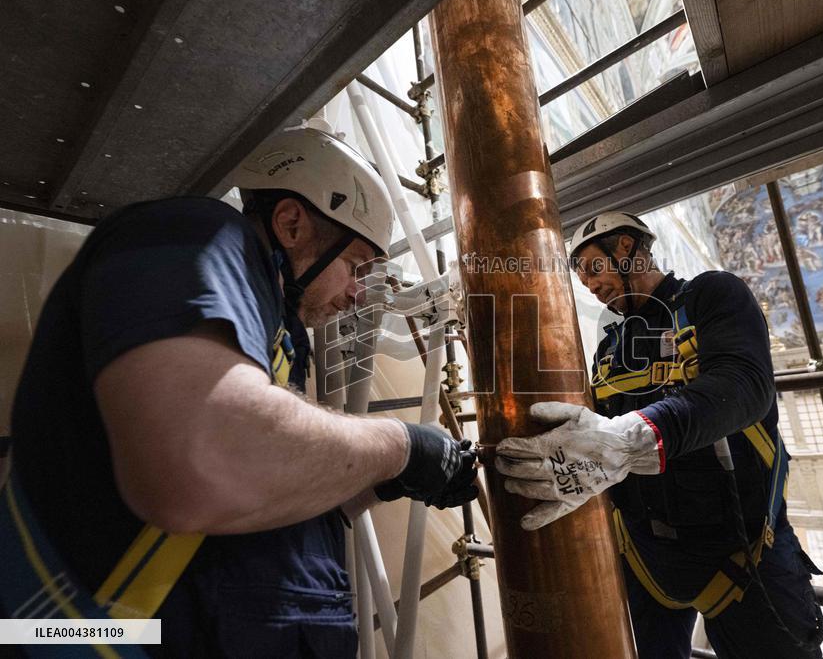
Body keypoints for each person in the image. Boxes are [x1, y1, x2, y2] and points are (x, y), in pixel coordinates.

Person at [2, 124, 478, 657]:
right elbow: (200, 468)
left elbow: (270, 495)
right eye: (356, 266)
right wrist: (399, 447)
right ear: (291, 223)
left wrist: (386, 479)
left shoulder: (275, 329)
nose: (356, 294)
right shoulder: (195, 234)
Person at [496, 211, 823, 658]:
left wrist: (634, 436)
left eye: (593, 267)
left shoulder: (711, 295)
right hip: (644, 556)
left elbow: (744, 385)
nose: (589, 285)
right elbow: (591, 431)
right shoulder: (611, 349)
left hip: (743, 551)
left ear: (626, 248)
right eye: (581, 277)